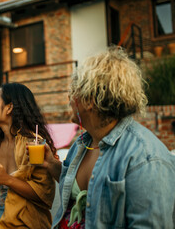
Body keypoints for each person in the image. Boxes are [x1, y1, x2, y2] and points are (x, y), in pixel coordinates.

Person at [43, 47, 175, 228]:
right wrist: (50, 164)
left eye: (74, 90)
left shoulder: (146, 158)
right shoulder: (83, 143)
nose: (69, 98)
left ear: (90, 100)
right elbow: (82, 189)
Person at [0, 82, 57, 228]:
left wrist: (7, 179)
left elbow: (44, 195)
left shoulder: (33, 145)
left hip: (25, 222)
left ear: (9, 107)